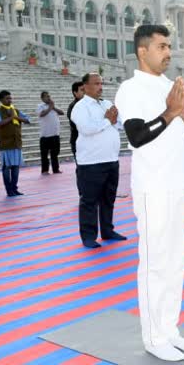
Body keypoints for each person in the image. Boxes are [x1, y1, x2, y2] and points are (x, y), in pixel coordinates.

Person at [115, 24, 184, 362]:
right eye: (162, 46)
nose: (169, 52)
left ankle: (170, 330)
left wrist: (182, 110)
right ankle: (154, 337)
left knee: (175, 263)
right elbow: (137, 136)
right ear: (143, 51)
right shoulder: (130, 89)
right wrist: (170, 113)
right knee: (155, 265)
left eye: (170, 45)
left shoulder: (173, 86)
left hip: (179, 186)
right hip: (153, 189)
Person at [71, 73, 126, 248]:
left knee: (108, 198)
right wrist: (107, 121)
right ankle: (88, 236)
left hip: (111, 159)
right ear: (85, 86)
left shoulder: (107, 104)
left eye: (101, 83)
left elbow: (119, 124)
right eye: (96, 84)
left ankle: (108, 230)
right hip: (90, 162)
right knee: (89, 201)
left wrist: (113, 120)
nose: (100, 87)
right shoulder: (80, 107)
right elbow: (87, 129)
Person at [0, 90, 30, 197]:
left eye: (10, 98)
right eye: (7, 98)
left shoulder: (16, 110)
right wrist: (11, 118)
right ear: (1, 100)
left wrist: (16, 117)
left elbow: (28, 120)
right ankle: (9, 190)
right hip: (5, 144)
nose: (9, 100)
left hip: (16, 143)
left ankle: (14, 188)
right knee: (6, 168)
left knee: (15, 167)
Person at [38, 91, 64, 174]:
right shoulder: (40, 106)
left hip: (55, 134)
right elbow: (42, 114)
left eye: (49, 96)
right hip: (45, 135)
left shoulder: (53, 105)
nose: (48, 98)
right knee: (44, 154)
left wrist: (53, 107)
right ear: (42, 98)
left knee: (55, 153)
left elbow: (62, 113)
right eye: (46, 96)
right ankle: (45, 170)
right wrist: (50, 108)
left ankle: (55, 169)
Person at [67, 80, 85, 158]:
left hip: (91, 141)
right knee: (82, 168)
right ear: (75, 92)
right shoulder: (73, 106)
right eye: (82, 90)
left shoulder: (90, 104)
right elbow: (76, 124)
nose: (85, 92)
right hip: (78, 141)